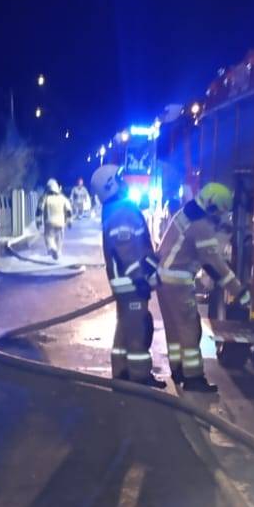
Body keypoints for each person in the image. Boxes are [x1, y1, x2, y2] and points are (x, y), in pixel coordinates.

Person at [154, 181, 245, 393]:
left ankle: (177, 370)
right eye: (219, 211)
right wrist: (240, 292)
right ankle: (193, 377)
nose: (219, 216)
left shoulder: (185, 214)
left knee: (174, 329)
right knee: (190, 329)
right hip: (178, 283)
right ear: (212, 206)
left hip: (162, 280)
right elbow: (215, 265)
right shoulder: (201, 227)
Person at [92, 165, 165, 388]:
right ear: (110, 184)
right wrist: (139, 278)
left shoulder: (116, 210)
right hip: (131, 283)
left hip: (125, 283)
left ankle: (122, 372)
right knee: (138, 330)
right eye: (119, 179)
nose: (124, 182)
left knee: (125, 328)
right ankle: (139, 377)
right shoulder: (121, 212)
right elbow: (127, 251)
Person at [40, 178, 72, 259]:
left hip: (49, 222)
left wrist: (38, 222)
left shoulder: (45, 198)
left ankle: (52, 248)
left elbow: (39, 210)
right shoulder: (63, 198)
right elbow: (68, 211)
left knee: (49, 237)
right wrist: (69, 221)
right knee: (59, 239)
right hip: (61, 223)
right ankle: (58, 251)